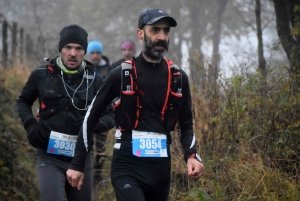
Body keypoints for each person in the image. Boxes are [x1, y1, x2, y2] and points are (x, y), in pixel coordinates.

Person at [67, 8, 204, 201]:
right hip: (127, 166)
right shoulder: (121, 74)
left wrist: (192, 155)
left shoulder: (178, 77)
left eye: (166, 31)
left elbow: (186, 124)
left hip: (160, 170)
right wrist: (77, 163)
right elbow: (90, 118)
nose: (162, 37)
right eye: (155, 30)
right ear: (140, 33)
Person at [16, 24, 114, 201]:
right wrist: (30, 125)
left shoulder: (95, 80)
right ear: (60, 49)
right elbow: (23, 101)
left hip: (81, 157)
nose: (73, 53)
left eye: (78, 48)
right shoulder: (41, 75)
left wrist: (91, 126)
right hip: (49, 155)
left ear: (84, 52)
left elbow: (111, 114)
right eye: (68, 47)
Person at [87, 39, 113, 185]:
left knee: (101, 144)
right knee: (87, 142)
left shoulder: (108, 70)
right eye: (92, 53)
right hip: (87, 111)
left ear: (101, 54)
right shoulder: (84, 68)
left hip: (104, 111)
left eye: (97, 53)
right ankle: (88, 173)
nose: (95, 55)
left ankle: (97, 175)